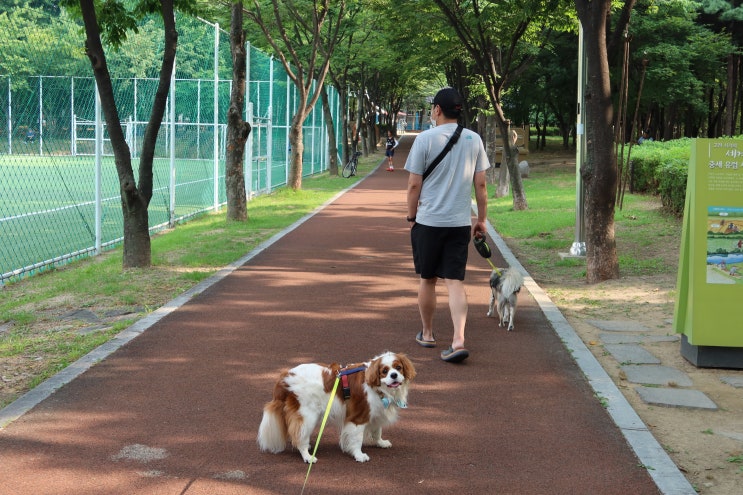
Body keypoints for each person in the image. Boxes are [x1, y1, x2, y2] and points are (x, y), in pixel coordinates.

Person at [404, 87, 490, 363]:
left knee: (428, 278)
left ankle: (427, 334)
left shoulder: (424, 139)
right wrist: (481, 220)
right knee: (455, 281)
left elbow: (414, 183)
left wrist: (411, 215)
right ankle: (458, 340)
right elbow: (481, 184)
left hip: (428, 221)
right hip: (457, 223)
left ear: (437, 110)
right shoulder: (473, 139)